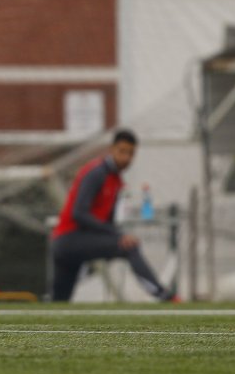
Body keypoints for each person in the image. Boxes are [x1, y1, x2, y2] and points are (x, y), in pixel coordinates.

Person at [50, 129, 178, 302]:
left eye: (131, 153)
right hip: (69, 239)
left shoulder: (116, 180)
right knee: (129, 246)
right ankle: (163, 295)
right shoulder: (95, 173)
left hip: (79, 241)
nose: (126, 158)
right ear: (111, 150)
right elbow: (79, 214)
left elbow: (106, 220)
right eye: (122, 151)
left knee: (59, 303)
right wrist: (119, 235)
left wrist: (115, 235)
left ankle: (162, 295)